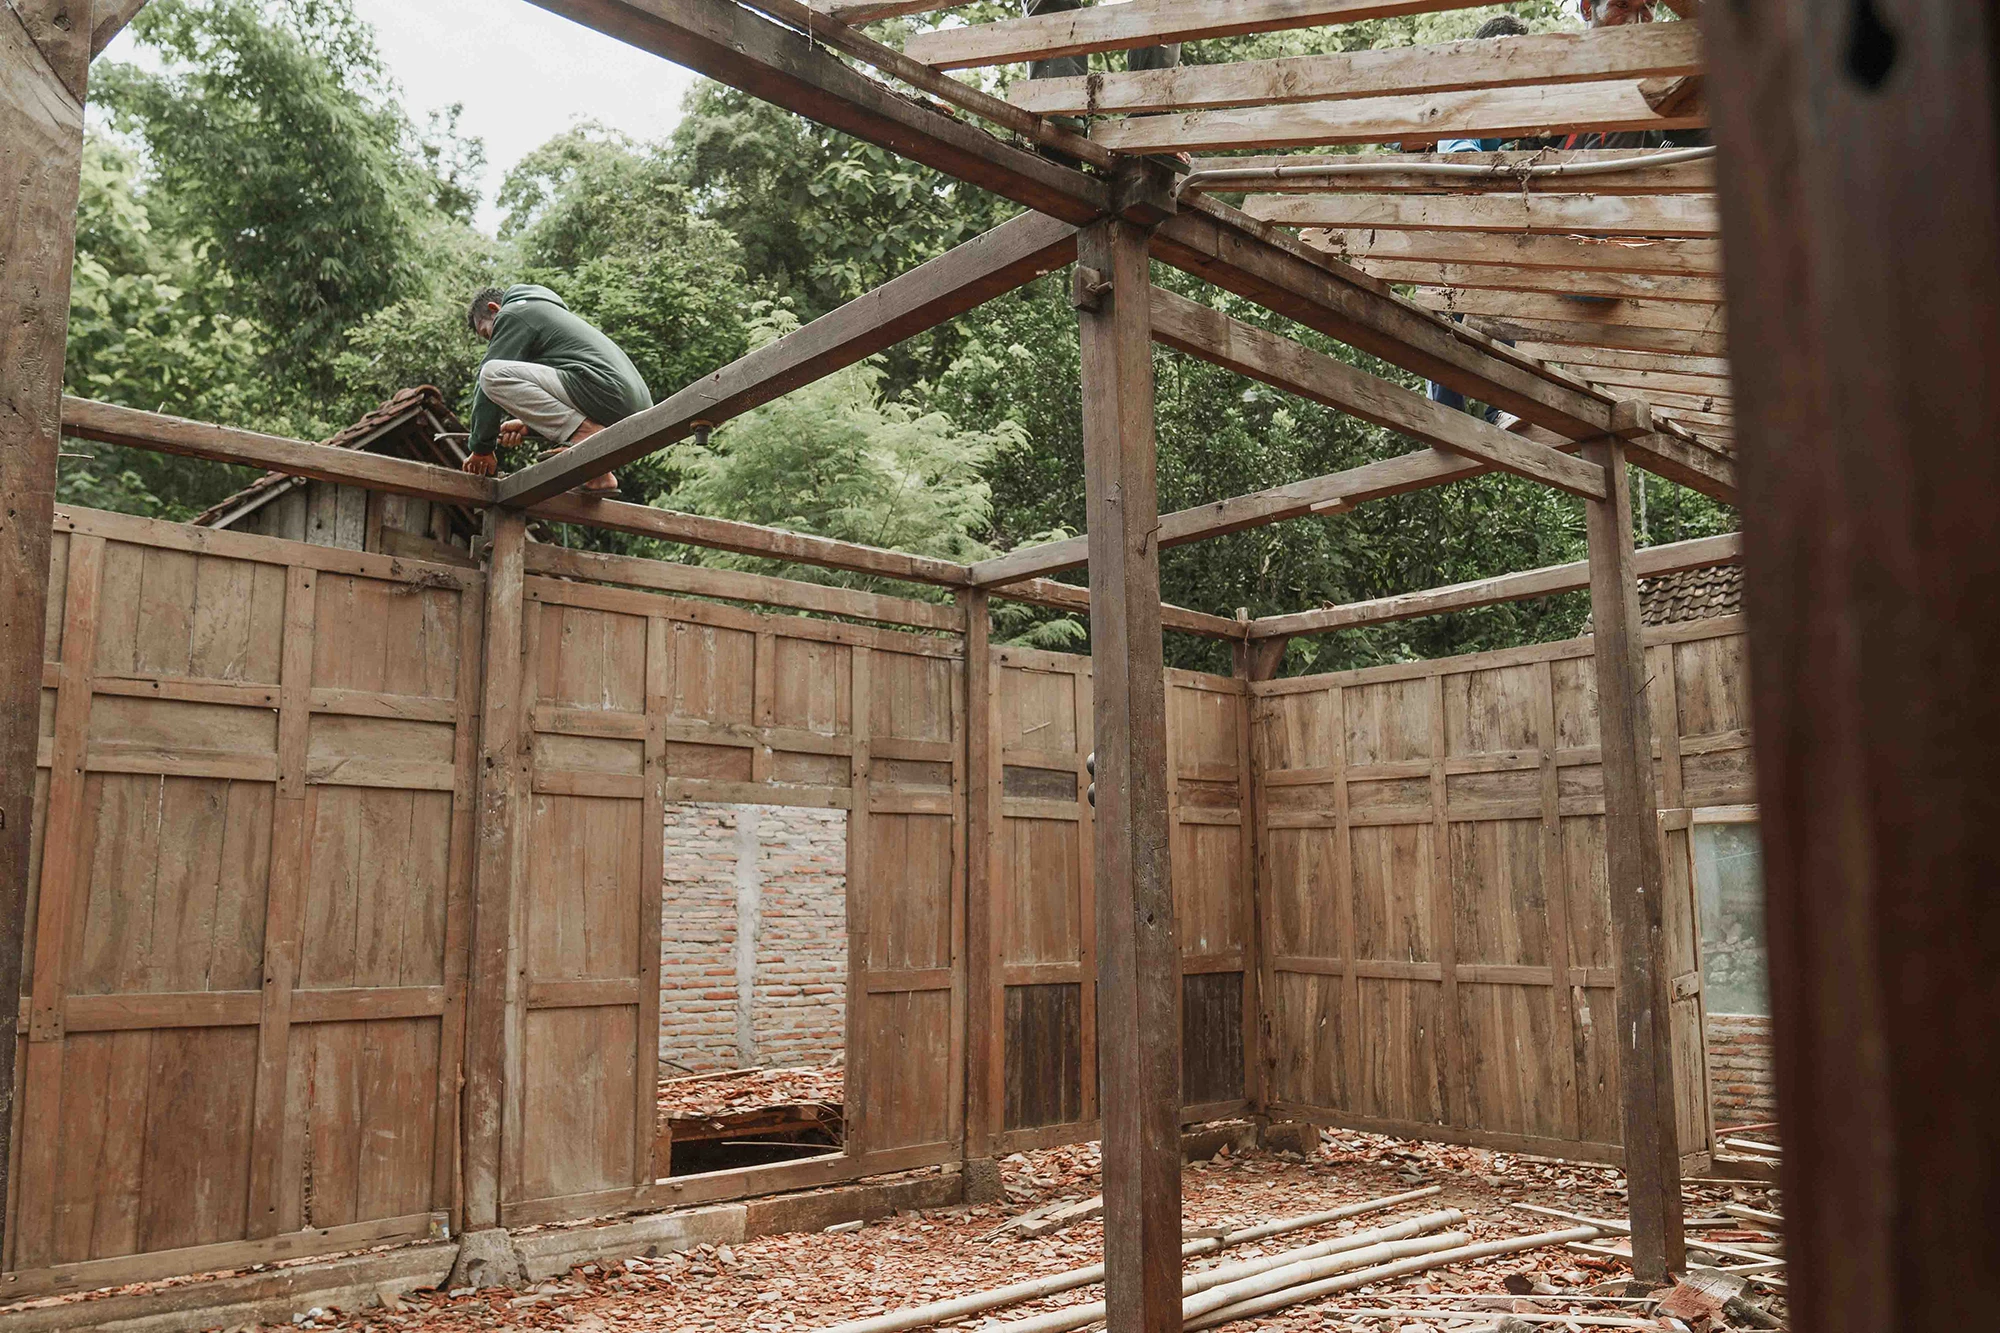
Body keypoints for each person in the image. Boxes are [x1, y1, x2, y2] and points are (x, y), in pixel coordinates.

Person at [461, 284, 652, 497]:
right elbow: (561, 390)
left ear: (494, 308)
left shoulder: (515, 312)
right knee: (498, 373)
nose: (493, 341)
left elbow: (485, 384)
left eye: (487, 333)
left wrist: (482, 447)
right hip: (631, 404)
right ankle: (598, 477)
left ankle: (584, 434)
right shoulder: (546, 315)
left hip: (608, 392)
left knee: (491, 374)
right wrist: (530, 426)